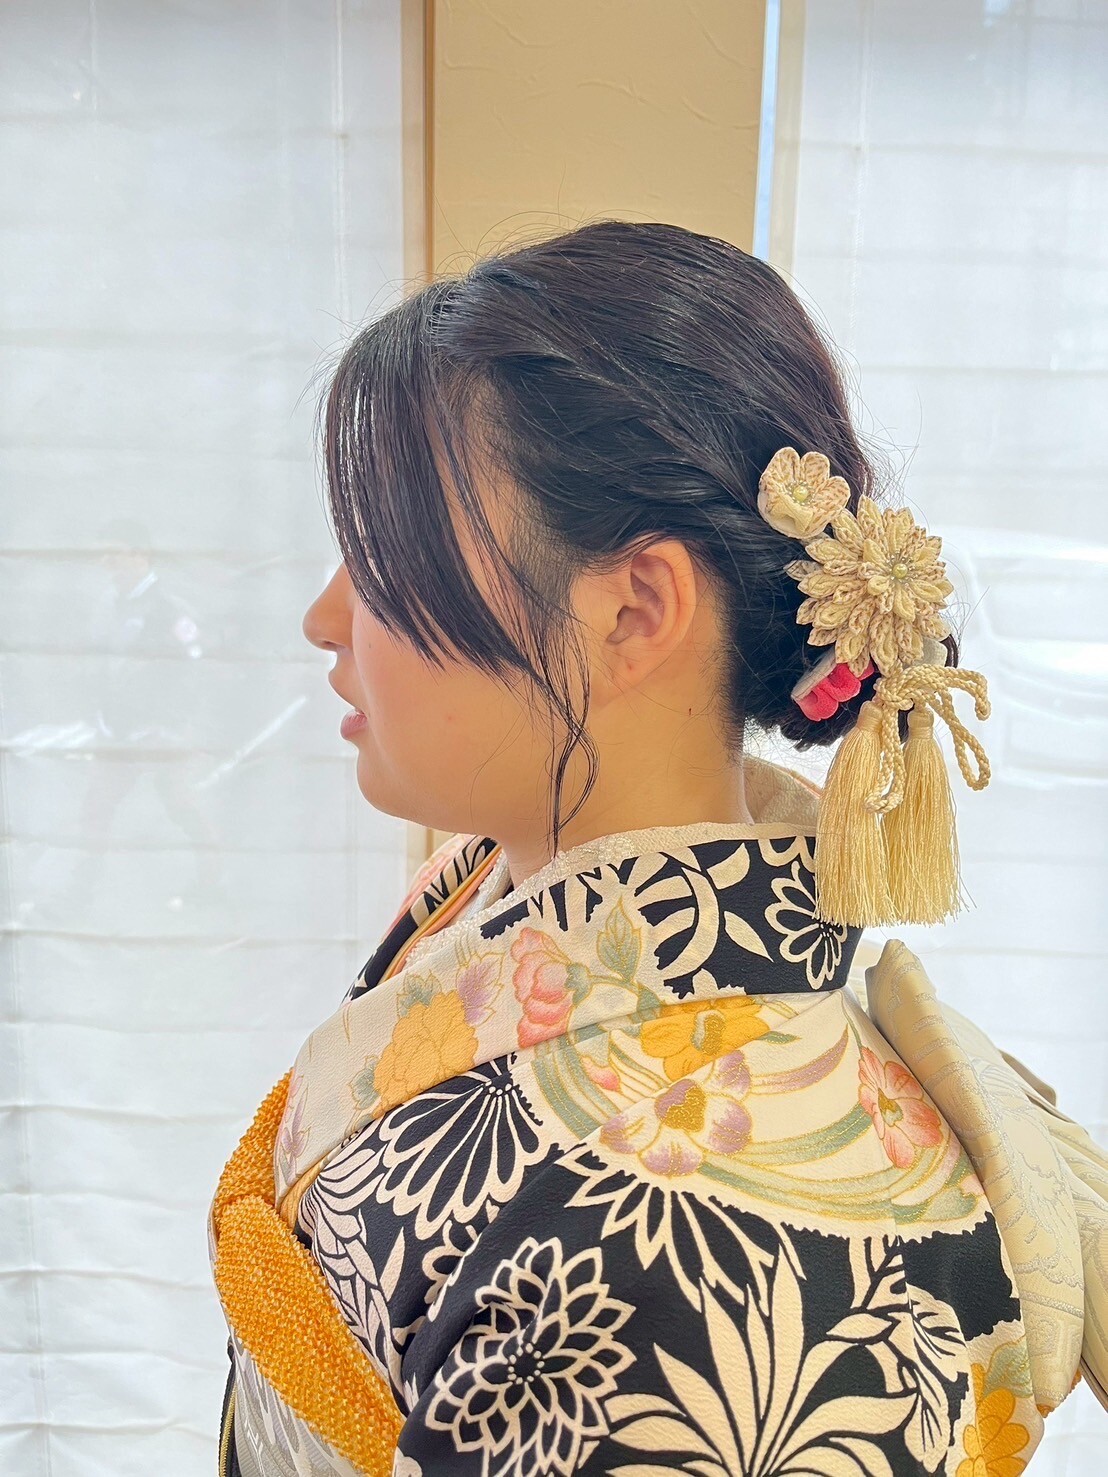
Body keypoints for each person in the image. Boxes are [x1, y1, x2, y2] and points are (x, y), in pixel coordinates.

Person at [208, 221, 1098, 1477]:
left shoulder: (700, 1264)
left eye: (388, 552)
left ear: (634, 608)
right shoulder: (492, 880)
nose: (324, 616)